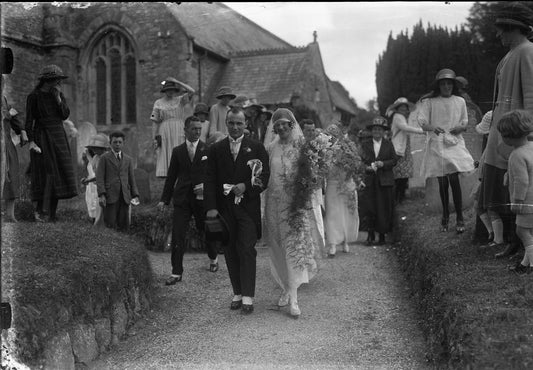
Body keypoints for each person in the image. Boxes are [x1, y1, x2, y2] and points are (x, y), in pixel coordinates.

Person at [479, 2, 533, 259]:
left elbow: (532, 97)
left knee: (516, 184)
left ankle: (522, 242)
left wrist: (528, 133)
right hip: (501, 131)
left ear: (514, 28)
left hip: (515, 133)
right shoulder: (511, 53)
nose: (498, 35)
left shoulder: (527, 52)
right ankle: (513, 240)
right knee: (506, 185)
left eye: (502, 29)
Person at [204, 107, 270, 314]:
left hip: (247, 208)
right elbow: (209, 180)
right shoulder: (216, 149)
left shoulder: (256, 148)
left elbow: (264, 177)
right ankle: (238, 293)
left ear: (245, 125)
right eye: (231, 123)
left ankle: (248, 296)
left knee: (247, 249)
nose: (235, 127)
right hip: (224, 209)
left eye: (239, 123)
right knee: (230, 249)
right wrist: (211, 208)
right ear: (226, 123)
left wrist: (247, 187)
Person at [263, 108, 324, 317]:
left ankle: (294, 298)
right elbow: (265, 175)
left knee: (293, 248)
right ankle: (286, 288)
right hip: (273, 202)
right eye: (276, 124)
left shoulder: (302, 147)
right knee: (278, 247)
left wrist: (305, 196)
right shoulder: (270, 148)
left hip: (294, 206)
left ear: (291, 125)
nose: (280, 127)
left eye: (284, 123)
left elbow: (311, 176)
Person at [158, 115, 219, 285]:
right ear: (185, 130)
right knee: (178, 234)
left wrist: (205, 188)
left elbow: (214, 176)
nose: (197, 132)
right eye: (194, 129)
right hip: (182, 199)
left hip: (201, 200)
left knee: (206, 230)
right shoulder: (178, 151)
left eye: (199, 129)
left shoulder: (207, 149)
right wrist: (164, 199)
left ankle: (213, 258)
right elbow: (171, 178)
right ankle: (176, 272)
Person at [417, 68, 475, 233]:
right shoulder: (430, 102)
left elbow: (465, 120)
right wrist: (432, 127)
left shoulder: (460, 101)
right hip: (437, 144)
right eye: (443, 84)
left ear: (453, 85)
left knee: (454, 180)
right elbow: (421, 121)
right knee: (442, 182)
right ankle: (445, 215)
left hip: (454, 143)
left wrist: (460, 127)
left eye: (449, 83)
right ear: (438, 86)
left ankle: (459, 216)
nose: (446, 86)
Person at [25, 64, 78, 222]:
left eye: (59, 80)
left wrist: (58, 98)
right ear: (47, 80)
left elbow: (64, 115)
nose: (58, 83)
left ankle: (53, 214)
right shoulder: (34, 96)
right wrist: (32, 142)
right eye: (56, 80)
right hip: (42, 137)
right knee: (44, 173)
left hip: (59, 136)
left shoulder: (58, 95)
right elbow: (29, 121)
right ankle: (41, 211)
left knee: (58, 174)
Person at [496, 110, 533, 275]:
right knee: (528, 231)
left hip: (526, 201)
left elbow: (522, 180)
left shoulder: (516, 155)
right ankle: (525, 264)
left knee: (522, 231)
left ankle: (532, 264)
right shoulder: (530, 147)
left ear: (509, 136)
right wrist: (508, 175)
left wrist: (517, 201)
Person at [324, 123, 363, 257]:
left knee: (347, 213)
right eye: (329, 134)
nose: (332, 137)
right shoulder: (323, 149)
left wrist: (347, 164)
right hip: (332, 184)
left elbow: (356, 164)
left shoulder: (349, 147)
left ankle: (346, 240)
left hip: (346, 183)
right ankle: (333, 243)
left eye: (335, 134)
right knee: (331, 213)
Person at [359, 116, 398, 245]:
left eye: (379, 130)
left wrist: (383, 164)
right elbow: (360, 162)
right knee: (370, 207)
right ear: (371, 131)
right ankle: (370, 235)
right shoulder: (365, 144)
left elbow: (394, 161)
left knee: (383, 208)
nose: (377, 132)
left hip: (385, 181)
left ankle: (382, 235)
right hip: (370, 180)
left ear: (383, 132)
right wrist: (367, 167)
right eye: (375, 129)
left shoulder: (388, 144)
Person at [150, 77, 195, 178]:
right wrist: (154, 137)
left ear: (175, 91)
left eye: (172, 89)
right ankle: (166, 173)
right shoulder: (158, 103)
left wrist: (178, 81)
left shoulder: (180, 100)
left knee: (179, 148)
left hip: (179, 128)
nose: (170, 92)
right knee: (165, 149)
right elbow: (155, 122)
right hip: (164, 129)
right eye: (168, 90)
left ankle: (181, 172)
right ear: (165, 91)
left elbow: (192, 91)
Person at [96, 131, 140, 231]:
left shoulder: (128, 160)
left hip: (124, 195)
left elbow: (131, 178)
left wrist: (135, 194)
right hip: (110, 195)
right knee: (110, 223)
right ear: (110, 143)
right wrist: (102, 194)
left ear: (123, 143)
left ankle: (124, 244)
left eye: (120, 142)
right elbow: (100, 178)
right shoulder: (104, 158)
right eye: (115, 142)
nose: (117, 145)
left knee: (124, 224)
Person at [386, 97, 425, 204]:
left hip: (403, 148)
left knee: (403, 175)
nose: (404, 110)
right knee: (399, 175)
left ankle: (400, 197)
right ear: (397, 109)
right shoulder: (398, 117)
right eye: (402, 108)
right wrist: (421, 131)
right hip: (398, 149)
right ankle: (397, 198)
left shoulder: (402, 117)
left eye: (405, 108)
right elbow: (405, 128)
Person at [2, 95, 27, 222]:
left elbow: (14, 115)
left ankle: (10, 215)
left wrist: (22, 130)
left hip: (6, 143)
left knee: (11, 177)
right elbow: (9, 113)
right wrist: (7, 115)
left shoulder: (3, 98)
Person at [82, 133, 108, 227]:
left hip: (106, 185)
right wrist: (87, 180)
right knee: (97, 206)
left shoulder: (106, 158)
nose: (94, 149)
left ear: (103, 148)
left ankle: (102, 226)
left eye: (97, 147)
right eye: (93, 147)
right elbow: (95, 170)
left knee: (102, 207)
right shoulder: (96, 157)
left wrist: (89, 180)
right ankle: (98, 226)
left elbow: (102, 176)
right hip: (98, 185)